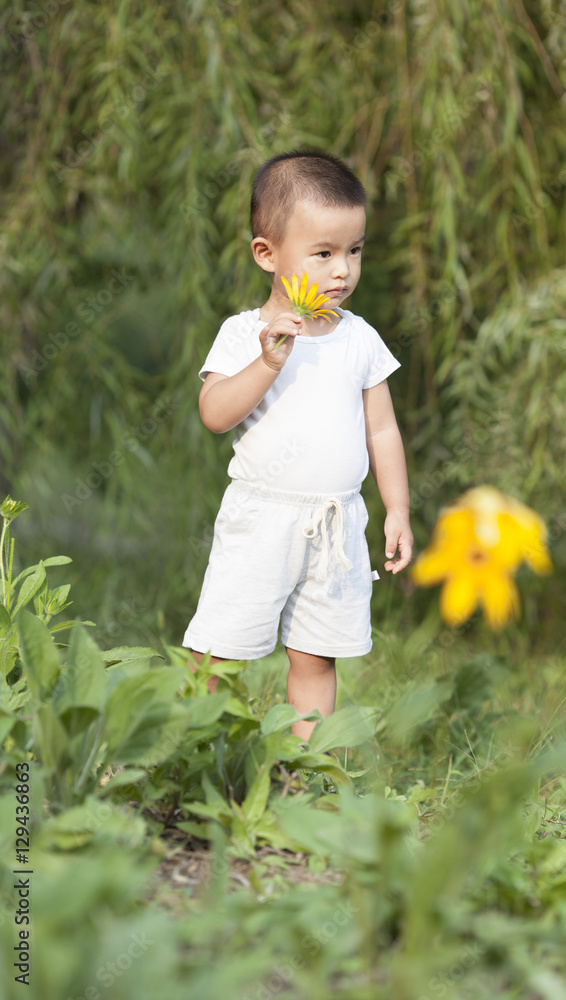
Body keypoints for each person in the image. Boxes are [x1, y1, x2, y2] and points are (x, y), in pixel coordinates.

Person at [184, 149, 413, 742]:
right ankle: (194, 754)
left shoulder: (358, 338)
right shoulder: (244, 334)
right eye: (324, 253)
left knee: (315, 658)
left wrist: (398, 509)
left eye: (354, 250)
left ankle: (305, 774)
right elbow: (214, 413)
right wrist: (266, 362)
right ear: (267, 254)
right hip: (263, 518)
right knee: (220, 650)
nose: (343, 271)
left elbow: (381, 430)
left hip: (337, 523)